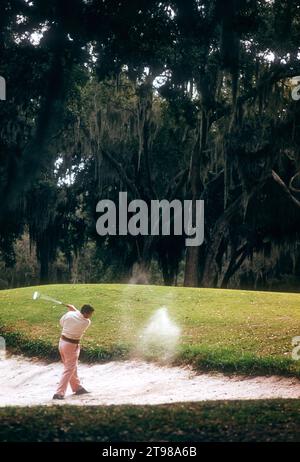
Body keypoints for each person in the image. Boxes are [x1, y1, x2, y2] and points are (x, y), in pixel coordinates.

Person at [53, 303, 94, 400]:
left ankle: (77, 388)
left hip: (62, 342)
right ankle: (59, 393)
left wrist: (73, 311)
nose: (90, 316)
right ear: (85, 313)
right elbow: (80, 317)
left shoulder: (69, 314)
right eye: (90, 314)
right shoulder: (86, 322)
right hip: (71, 346)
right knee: (69, 368)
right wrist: (73, 310)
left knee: (72, 367)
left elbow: (61, 323)